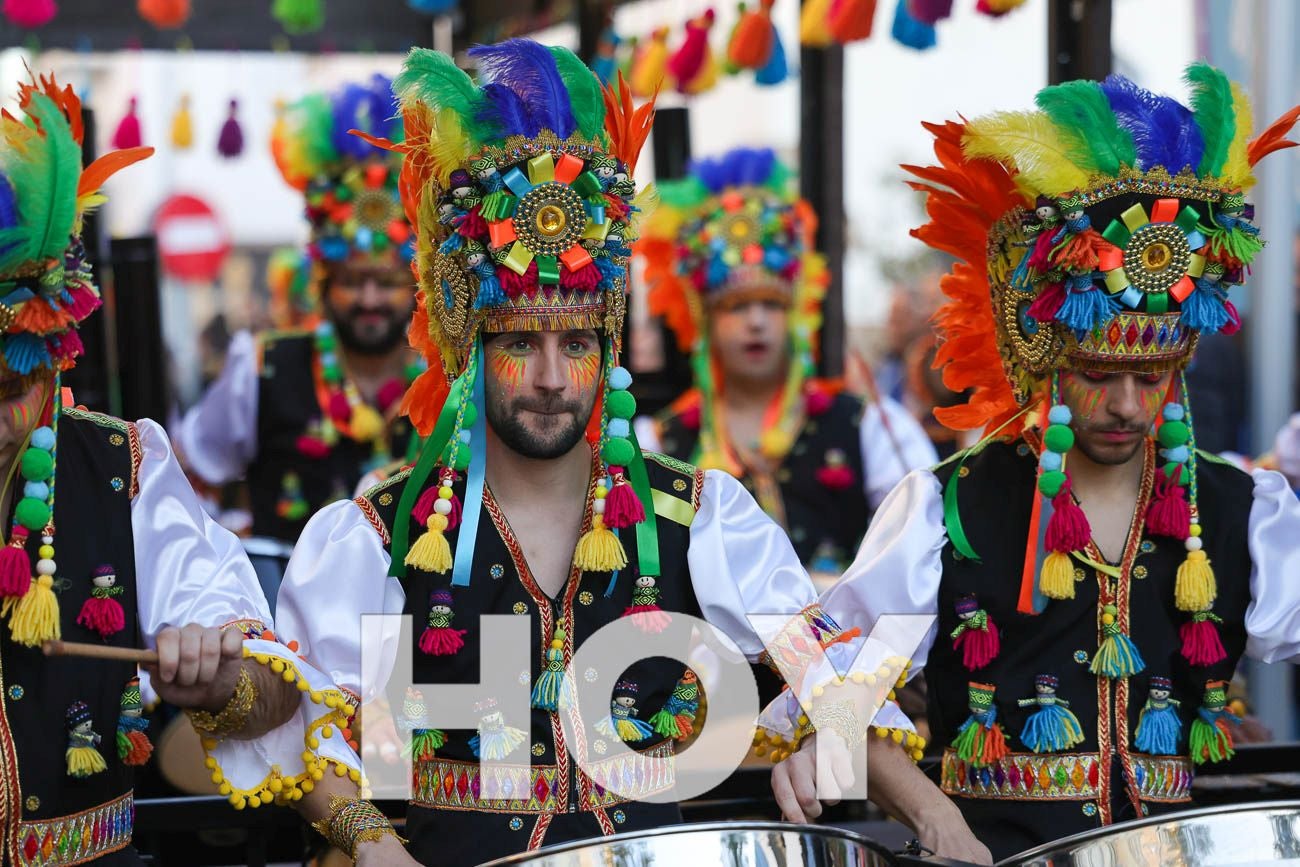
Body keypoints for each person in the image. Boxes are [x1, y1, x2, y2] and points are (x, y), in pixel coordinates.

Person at [266, 43, 988, 866]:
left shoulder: (701, 517)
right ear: (469, 348)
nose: (550, 378)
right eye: (519, 343)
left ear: (607, 347)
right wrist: (369, 841)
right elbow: (309, 729)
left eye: (576, 343)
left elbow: (830, 672)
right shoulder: (381, 531)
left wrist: (935, 817)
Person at [769, 66, 1300, 859]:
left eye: (1152, 377)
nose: (1127, 406)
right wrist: (936, 817)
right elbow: (827, 688)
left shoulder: (1238, 507)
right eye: (1098, 374)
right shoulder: (948, 505)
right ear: (1043, 357)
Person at [0, 74, 354, 865]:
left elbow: (267, 678)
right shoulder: (265, 368)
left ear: (52, 360)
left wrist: (221, 679)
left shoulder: (124, 469)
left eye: (12, 387)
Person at [635, 149, 936, 575]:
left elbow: (917, 550)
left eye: (772, 305)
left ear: (796, 313)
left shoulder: (870, 428)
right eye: (737, 306)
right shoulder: (657, 442)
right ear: (704, 321)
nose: (756, 322)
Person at [176, 75, 424, 545]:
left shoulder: (445, 375)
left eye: (388, 282)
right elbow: (189, 470)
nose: (369, 299)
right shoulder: (261, 366)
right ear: (323, 283)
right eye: (352, 281)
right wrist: (226, 545)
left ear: (416, 285)